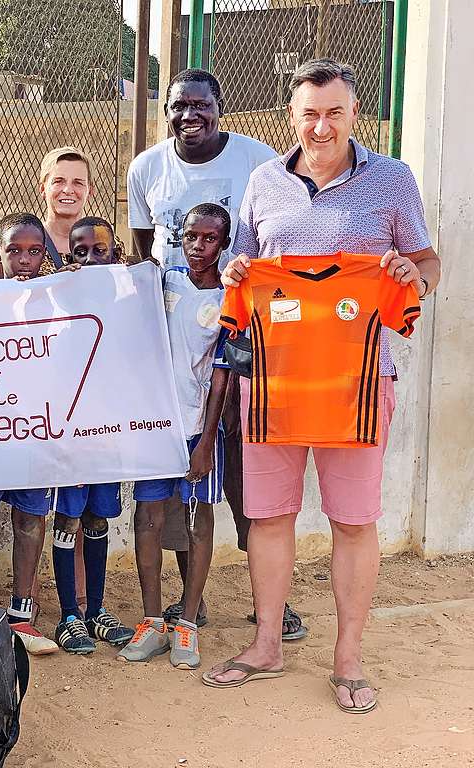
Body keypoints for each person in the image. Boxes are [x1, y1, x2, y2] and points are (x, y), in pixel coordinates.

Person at [202, 59, 440, 714]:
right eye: (309, 112)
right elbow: (236, 263)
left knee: (353, 522)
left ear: (354, 114)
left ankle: (348, 658)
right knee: (269, 516)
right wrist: (235, 269)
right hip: (272, 382)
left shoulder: (392, 180)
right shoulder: (262, 182)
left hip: (358, 384)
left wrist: (408, 274)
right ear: (292, 117)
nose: (321, 125)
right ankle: (267, 645)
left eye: (334, 112)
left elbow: (427, 265)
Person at [125, 68, 304, 636]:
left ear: (220, 108)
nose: (189, 116)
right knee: (183, 491)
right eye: (179, 106)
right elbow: (143, 254)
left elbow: (283, 234)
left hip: (242, 347)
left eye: (201, 105)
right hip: (180, 362)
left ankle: (272, 603)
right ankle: (190, 601)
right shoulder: (147, 168)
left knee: (247, 487)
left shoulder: (257, 160)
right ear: (167, 111)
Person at [0, 213, 79, 656]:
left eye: (34, 251)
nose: (24, 260)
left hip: (36, 432)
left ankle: (21, 614)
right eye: (14, 251)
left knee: (30, 520)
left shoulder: (55, 301)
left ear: (46, 254)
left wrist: (76, 288)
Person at [118, 204, 232, 670]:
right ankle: (151, 620)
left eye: (209, 239)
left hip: (196, 429)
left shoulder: (229, 299)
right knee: (147, 517)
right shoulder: (163, 282)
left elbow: (222, 377)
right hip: (152, 426)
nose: (198, 246)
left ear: (224, 245)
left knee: (198, 520)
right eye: (190, 237)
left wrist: (206, 441)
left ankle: (186, 621)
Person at [51, 216, 136, 655]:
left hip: (109, 436)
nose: (88, 259)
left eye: (98, 251)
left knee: (99, 519)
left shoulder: (128, 302)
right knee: (67, 519)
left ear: (115, 255)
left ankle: (96, 610)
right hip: (70, 435)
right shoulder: (59, 303)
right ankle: (69, 614)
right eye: (79, 252)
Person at [38, 146, 94, 275]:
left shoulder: (106, 244)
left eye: (78, 183)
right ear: (43, 189)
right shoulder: (23, 244)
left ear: (90, 191)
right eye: (59, 181)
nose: (68, 190)